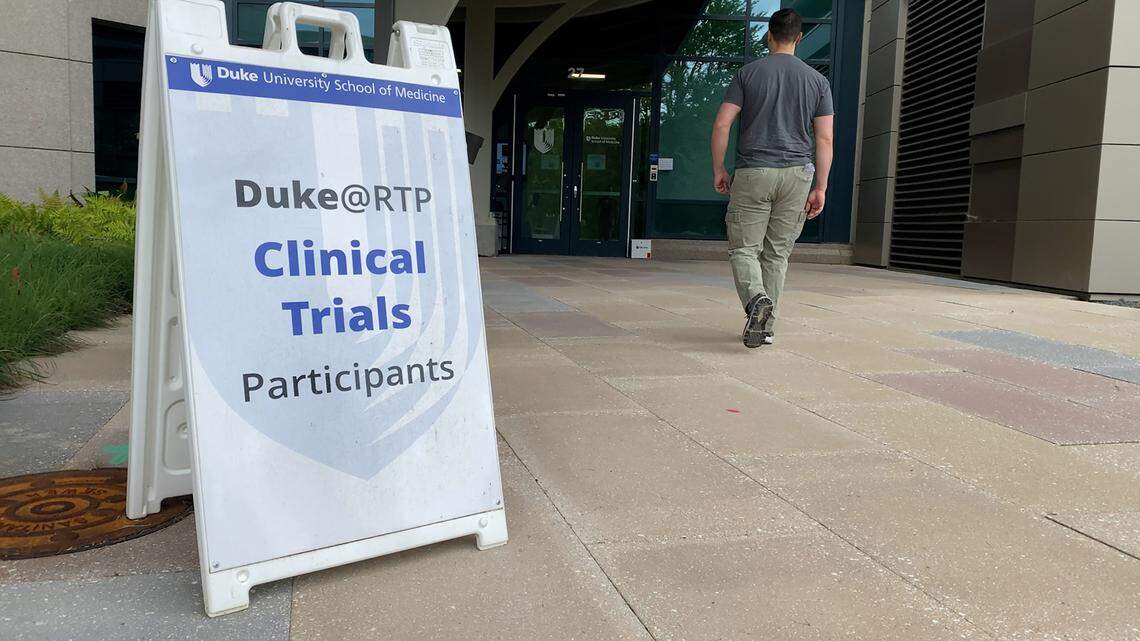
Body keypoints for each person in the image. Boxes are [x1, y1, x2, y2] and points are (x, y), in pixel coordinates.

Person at [710, 8, 834, 348]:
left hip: (754, 172)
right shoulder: (818, 82)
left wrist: (719, 168)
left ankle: (756, 300)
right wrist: (821, 187)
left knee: (744, 249)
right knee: (777, 254)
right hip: (797, 175)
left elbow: (722, 124)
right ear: (799, 38)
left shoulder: (747, 74)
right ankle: (766, 328)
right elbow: (824, 139)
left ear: (769, 36)